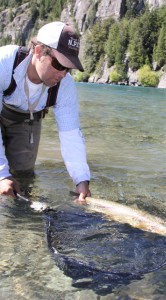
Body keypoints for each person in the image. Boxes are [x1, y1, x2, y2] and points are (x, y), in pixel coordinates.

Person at [0, 21, 91, 201]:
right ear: (39, 51)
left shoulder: (65, 86)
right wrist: (1, 175)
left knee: (22, 179)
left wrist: (81, 182)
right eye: (59, 64)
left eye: (68, 67)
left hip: (28, 120)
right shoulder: (4, 63)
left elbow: (70, 135)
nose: (63, 74)